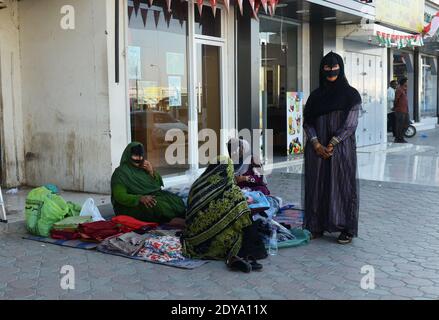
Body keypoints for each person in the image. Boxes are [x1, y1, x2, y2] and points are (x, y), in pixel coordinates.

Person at [303, 52, 362, 245]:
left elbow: (350, 124)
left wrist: (332, 143)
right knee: (317, 185)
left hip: (341, 151)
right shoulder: (315, 96)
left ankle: (345, 228)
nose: (331, 71)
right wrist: (316, 143)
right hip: (316, 151)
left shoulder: (351, 95)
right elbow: (307, 122)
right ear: (321, 70)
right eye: (326, 68)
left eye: (334, 67)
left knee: (342, 186)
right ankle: (316, 225)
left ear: (341, 67)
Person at [181, 156, 267, 273]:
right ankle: (236, 256)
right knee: (252, 228)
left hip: (193, 239)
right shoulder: (231, 191)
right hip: (217, 244)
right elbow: (243, 212)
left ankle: (240, 258)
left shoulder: (198, 184)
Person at [111, 142, 186, 225]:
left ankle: (180, 217)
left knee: (175, 200)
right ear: (128, 155)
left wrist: (151, 171)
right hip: (130, 205)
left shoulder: (143, 167)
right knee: (159, 205)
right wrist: (140, 198)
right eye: (135, 156)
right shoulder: (121, 173)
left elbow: (157, 185)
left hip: (150, 196)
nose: (139, 159)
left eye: (141, 156)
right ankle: (171, 220)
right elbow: (120, 196)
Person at [393, 78, 409, 143]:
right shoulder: (399, 90)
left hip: (405, 110)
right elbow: (396, 100)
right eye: (407, 82)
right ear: (404, 82)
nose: (407, 83)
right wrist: (396, 107)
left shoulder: (403, 90)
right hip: (400, 110)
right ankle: (398, 138)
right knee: (400, 125)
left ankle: (400, 137)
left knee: (406, 124)